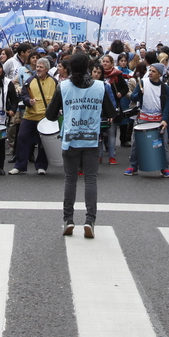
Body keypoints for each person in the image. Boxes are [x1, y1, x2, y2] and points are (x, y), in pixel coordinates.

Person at [45, 53, 115, 238]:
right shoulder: (100, 86)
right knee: (91, 179)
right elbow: (111, 112)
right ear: (88, 68)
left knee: (70, 179)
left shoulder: (63, 86)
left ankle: (68, 219)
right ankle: (90, 221)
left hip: (71, 138)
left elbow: (50, 115)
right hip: (91, 138)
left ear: (70, 68)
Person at [11, 56, 55, 175]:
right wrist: (28, 101)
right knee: (22, 138)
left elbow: (57, 99)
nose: (38, 69)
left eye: (41, 67)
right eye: (37, 66)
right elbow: (24, 95)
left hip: (45, 118)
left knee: (43, 143)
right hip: (30, 116)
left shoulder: (53, 82)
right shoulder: (30, 81)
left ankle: (41, 166)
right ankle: (19, 166)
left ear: (47, 69)